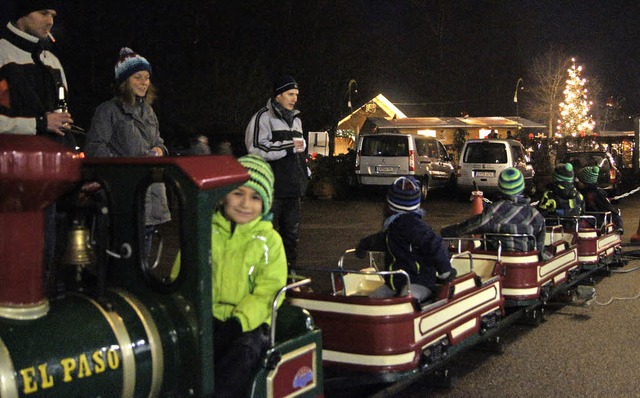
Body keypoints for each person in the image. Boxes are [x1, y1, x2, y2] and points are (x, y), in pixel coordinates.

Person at [172, 155, 287, 397]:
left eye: (255, 197)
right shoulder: (204, 231)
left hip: (249, 324)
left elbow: (269, 290)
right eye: (238, 193)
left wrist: (239, 322)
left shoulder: (269, 241)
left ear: (265, 203)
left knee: (242, 352)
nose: (245, 203)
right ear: (223, 195)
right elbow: (182, 276)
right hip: (206, 317)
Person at [84, 47, 171, 260]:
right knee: (123, 253)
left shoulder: (149, 111)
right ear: (124, 81)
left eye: (147, 77)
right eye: (138, 77)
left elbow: (159, 141)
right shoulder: (107, 111)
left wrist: (159, 150)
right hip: (124, 193)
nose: (144, 82)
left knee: (145, 253)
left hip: (150, 191)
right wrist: (126, 166)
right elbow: (95, 148)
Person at [355, 176, 456, 302]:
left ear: (390, 205)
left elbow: (434, 244)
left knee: (405, 300)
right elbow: (384, 240)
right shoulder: (394, 226)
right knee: (374, 298)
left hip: (419, 281)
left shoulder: (412, 226)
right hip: (395, 282)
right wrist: (365, 244)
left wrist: (445, 270)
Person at [245, 75, 308, 269]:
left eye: (296, 94)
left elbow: (299, 153)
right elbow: (255, 149)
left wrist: (305, 172)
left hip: (293, 190)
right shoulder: (262, 117)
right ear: (278, 95)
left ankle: (289, 273)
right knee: (266, 234)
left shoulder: (296, 120)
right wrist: (289, 146)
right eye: (290, 94)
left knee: (291, 236)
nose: (294, 98)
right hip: (271, 190)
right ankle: (265, 274)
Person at [0, 1, 75, 145]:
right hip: (13, 160)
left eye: (53, 15)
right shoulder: (2, 55)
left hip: (53, 159)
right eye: (43, 13)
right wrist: (39, 124)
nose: (50, 22)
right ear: (22, 15)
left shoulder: (53, 62)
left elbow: (61, 116)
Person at [441, 168, 547, 258]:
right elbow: (539, 246)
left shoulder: (494, 210)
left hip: (495, 258)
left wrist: (448, 232)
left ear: (500, 187)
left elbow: (472, 225)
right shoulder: (535, 215)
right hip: (525, 261)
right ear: (522, 187)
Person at [575, 166, 623, 233]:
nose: (576, 182)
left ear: (585, 182)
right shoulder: (577, 192)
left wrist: (619, 226)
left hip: (594, 221)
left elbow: (611, 210)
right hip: (584, 218)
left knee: (578, 225)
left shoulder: (597, 194)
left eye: (578, 180)